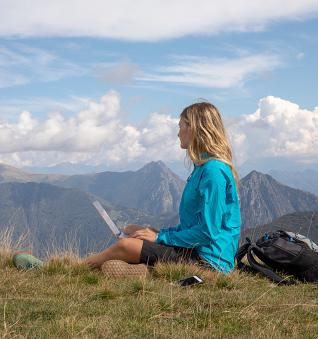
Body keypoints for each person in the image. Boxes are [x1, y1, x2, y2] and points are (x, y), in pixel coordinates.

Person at [85, 101, 241, 277]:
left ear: (192, 128)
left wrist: (159, 238)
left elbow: (207, 233)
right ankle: (146, 270)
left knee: (125, 245)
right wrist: (162, 234)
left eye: (180, 126)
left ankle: (75, 268)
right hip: (197, 250)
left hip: (209, 261)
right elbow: (194, 226)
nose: (178, 133)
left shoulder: (213, 171)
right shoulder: (203, 167)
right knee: (132, 230)